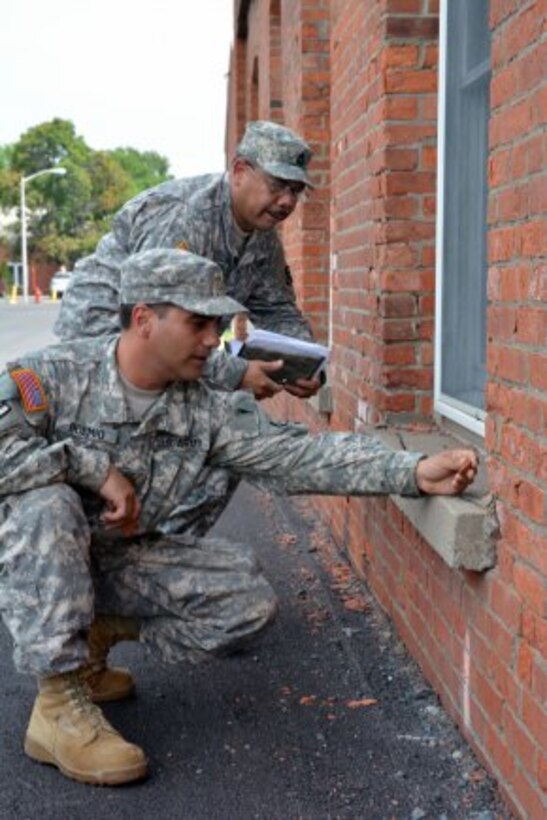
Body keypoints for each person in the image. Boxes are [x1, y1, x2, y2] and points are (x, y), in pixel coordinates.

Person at [0, 249, 478, 786]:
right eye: (198, 323)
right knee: (48, 501)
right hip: (31, 563)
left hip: (113, 558)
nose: (213, 340)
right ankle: (58, 706)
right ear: (143, 319)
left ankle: (91, 639)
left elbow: (299, 456)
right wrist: (89, 467)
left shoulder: (202, 407)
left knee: (245, 600)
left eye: (218, 325)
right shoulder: (55, 374)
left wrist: (411, 471)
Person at [55, 120, 321, 401]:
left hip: (167, 354)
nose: (287, 201)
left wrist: (305, 363)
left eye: (296, 190)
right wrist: (237, 373)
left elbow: (277, 309)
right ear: (240, 170)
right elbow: (161, 329)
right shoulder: (184, 217)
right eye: (278, 184)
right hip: (102, 344)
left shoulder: (263, 237)